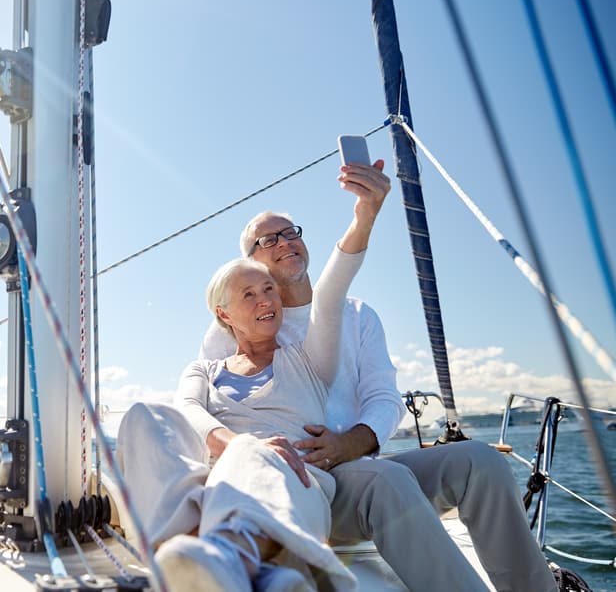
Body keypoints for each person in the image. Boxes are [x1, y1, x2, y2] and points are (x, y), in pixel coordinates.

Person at [199, 160, 558, 591]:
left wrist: (351, 442)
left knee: (481, 462)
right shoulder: (232, 331)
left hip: (364, 466)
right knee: (386, 479)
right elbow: (208, 405)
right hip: (307, 482)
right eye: (268, 239)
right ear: (250, 262)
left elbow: (383, 397)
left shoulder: (356, 315)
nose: (285, 242)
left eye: (292, 232)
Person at [118, 162, 382, 592]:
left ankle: (226, 558)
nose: (265, 300)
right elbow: (186, 408)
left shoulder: (310, 357)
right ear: (224, 313)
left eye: (269, 290)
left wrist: (364, 216)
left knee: (251, 456)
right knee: (144, 416)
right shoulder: (203, 369)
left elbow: (332, 290)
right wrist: (239, 443)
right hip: (229, 478)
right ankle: (209, 562)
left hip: (297, 483)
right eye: (249, 294)